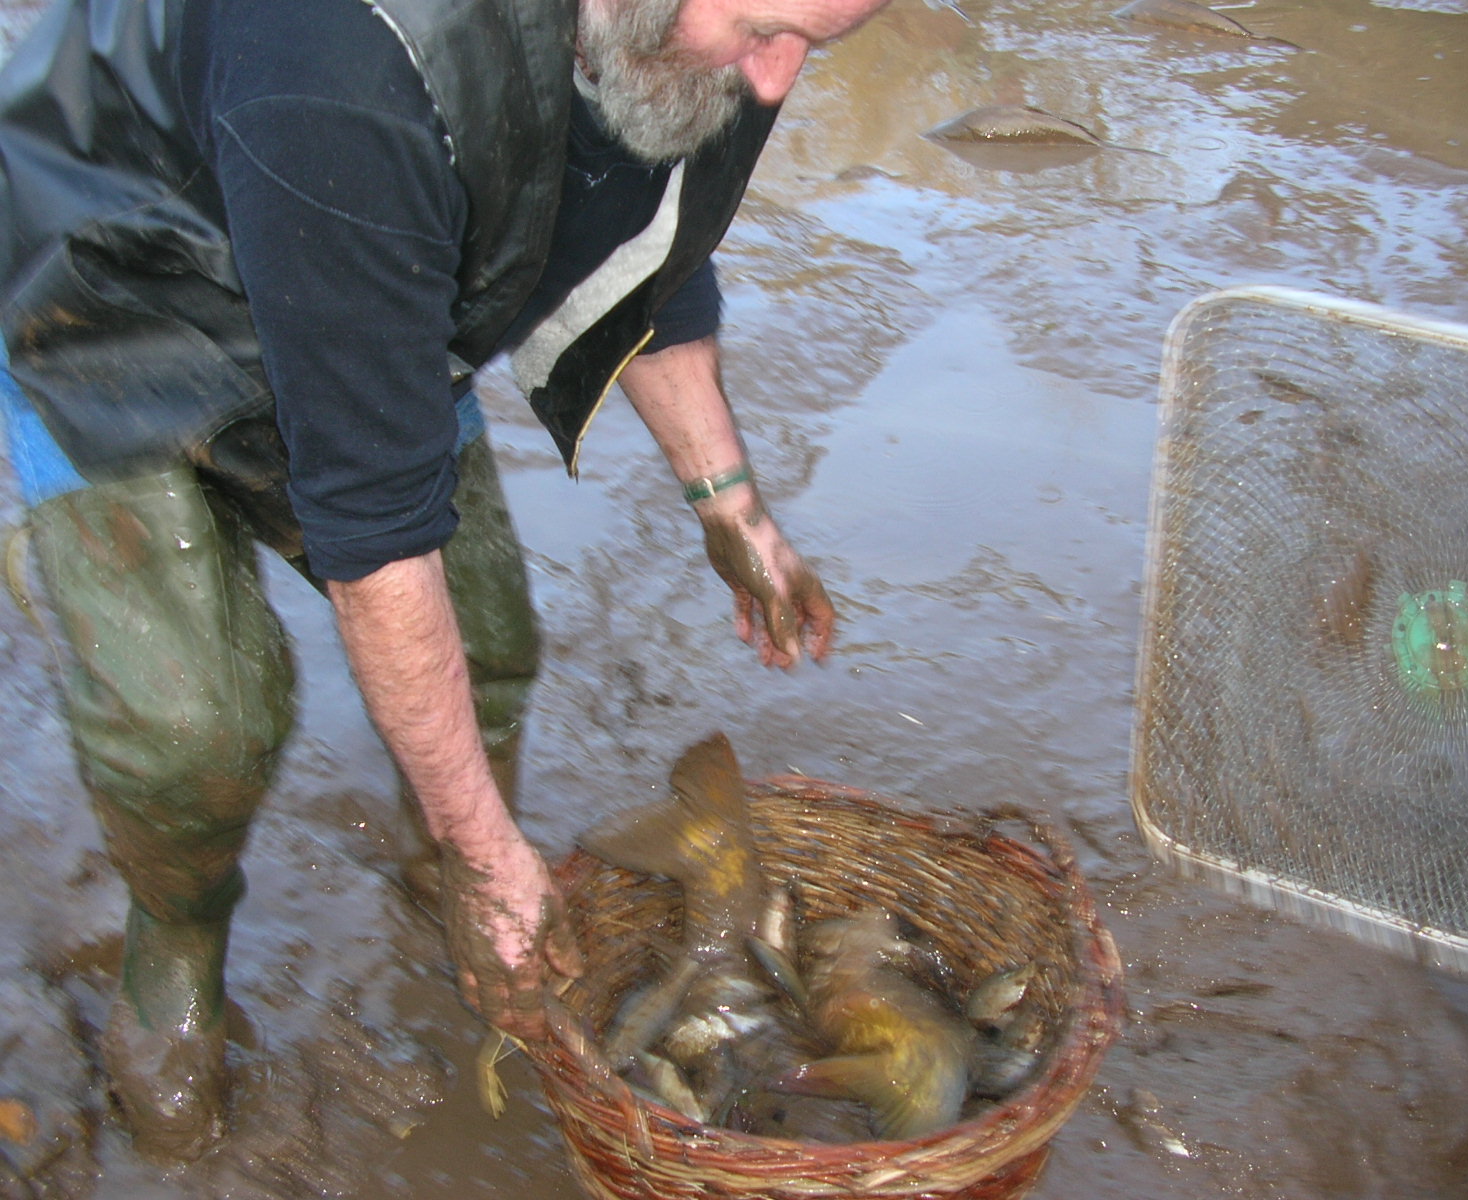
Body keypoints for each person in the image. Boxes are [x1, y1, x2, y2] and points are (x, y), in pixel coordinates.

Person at [0, 0, 887, 1162]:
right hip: (116, 283)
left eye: (812, 44)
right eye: (766, 27)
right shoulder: (344, 59)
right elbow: (375, 531)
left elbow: (644, 247)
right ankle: (177, 944)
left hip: (365, 251)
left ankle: (454, 878)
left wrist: (732, 505)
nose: (777, 78)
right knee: (195, 734)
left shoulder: (707, 42)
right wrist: (488, 847)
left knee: (487, 640)